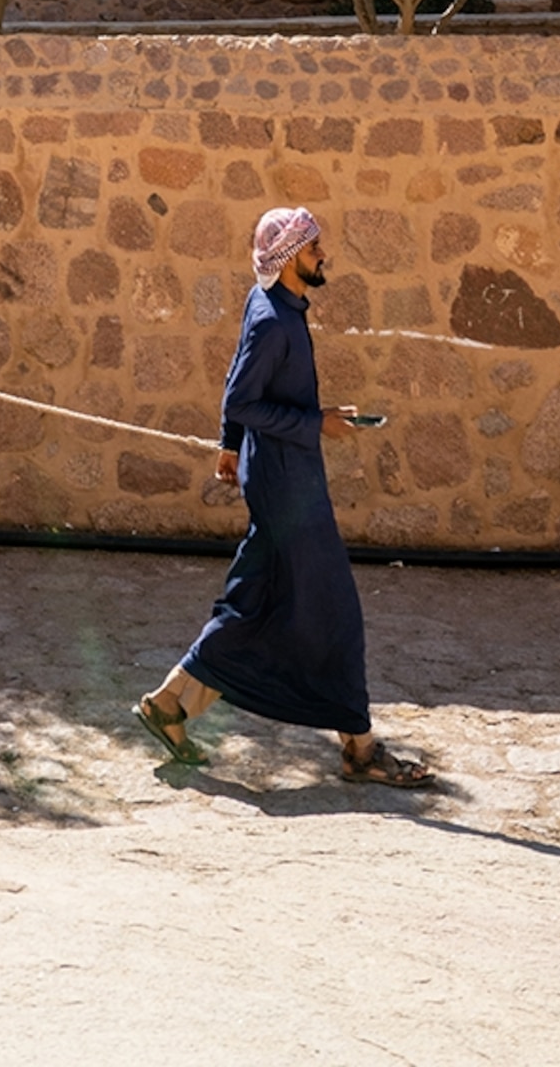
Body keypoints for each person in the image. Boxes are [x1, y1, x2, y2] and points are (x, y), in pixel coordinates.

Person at [133, 203, 430, 786]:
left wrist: (232, 442)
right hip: (287, 489)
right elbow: (245, 397)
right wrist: (311, 425)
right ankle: (360, 751)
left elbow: (240, 385)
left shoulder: (272, 306)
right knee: (335, 610)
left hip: (281, 477)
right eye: (314, 247)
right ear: (291, 257)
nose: (324, 255)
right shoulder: (274, 320)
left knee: (250, 605)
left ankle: (169, 705)